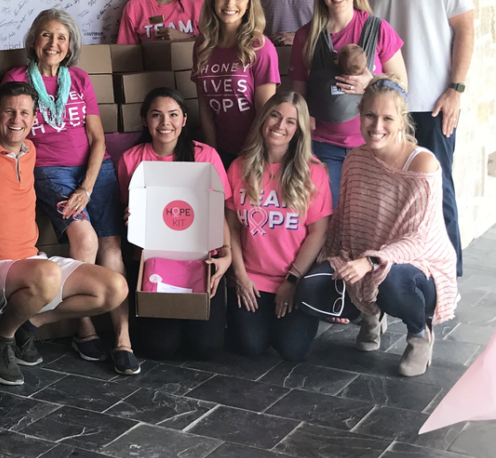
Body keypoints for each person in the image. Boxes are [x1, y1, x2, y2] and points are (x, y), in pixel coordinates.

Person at [0, 81, 128, 385]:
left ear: (35, 119)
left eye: (24, 113)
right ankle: (2, 339)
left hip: (31, 262)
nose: (16, 119)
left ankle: (28, 324)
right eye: (9, 111)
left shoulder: (31, 150)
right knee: (47, 275)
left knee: (114, 288)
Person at [1, 9, 136, 375]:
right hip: (48, 170)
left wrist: (88, 187)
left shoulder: (78, 79)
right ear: (34, 40)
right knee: (86, 239)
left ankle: (123, 337)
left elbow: (97, 139)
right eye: (46, 35)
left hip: (94, 169)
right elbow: (6, 130)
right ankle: (84, 325)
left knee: (111, 246)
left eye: (61, 37)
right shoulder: (16, 78)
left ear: (70, 45)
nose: (53, 44)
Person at [296, 77, 458, 377]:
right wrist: (332, 260)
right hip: (364, 259)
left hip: (419, 266)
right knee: (310, 289)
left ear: (401, 120)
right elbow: (345, 220)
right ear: (359, 113)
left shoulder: (422, 165)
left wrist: (369, 261)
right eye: (370, 115)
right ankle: (372, 315)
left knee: (392, 282)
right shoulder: (355, 160)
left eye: (387, 118)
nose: (376, 125)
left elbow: (419, 238)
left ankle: (419, 334)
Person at [356, 0, 474, 275]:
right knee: (386, 198)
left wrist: (455, 89)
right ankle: (389, 278)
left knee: (437, 192)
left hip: (431, 103)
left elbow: (464, 28)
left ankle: (447, 276)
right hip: (383, 110)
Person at [116, 87, 232, 360]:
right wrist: (130, 218)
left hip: (203, 263)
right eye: (156, 115)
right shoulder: (131, 160)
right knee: (158, 348)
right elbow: (127, 210)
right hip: (151, 263)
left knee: (207, 348)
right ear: (145, 120)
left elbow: (220, 213)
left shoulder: (206, 156)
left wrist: (226, 255)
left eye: (173, 115)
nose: (165, 123)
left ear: (184, 119)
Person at [289, 0, 406, 207]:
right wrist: (303, 118)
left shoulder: (378, 29)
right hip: (323, 146)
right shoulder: (305, 36)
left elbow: (402, 87)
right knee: (327, 217)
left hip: (373, 144)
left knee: (369, 215)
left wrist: (372, 83)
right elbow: (298, 90)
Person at [226, 92, 332, 362]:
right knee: (250, 346)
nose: (279, 126)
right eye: (275, 115)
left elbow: (318, 232)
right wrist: (240, 275)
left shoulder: (314, 172)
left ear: (298, 131)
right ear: (264, 118)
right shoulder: (239, 167)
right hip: (252, 278)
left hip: (293, 279)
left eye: (290, 122)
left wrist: (293, 280)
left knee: (292, 349)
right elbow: (231, 226)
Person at [192, 0, 280, 168]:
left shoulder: (261, 47)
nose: (230, 4)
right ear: (213, 0)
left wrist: (249, 155)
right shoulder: (202, 45)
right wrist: (212, 152)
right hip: (219, 150)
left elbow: (264, 112)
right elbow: (204, 107)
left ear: (249, 3)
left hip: (254, 152)